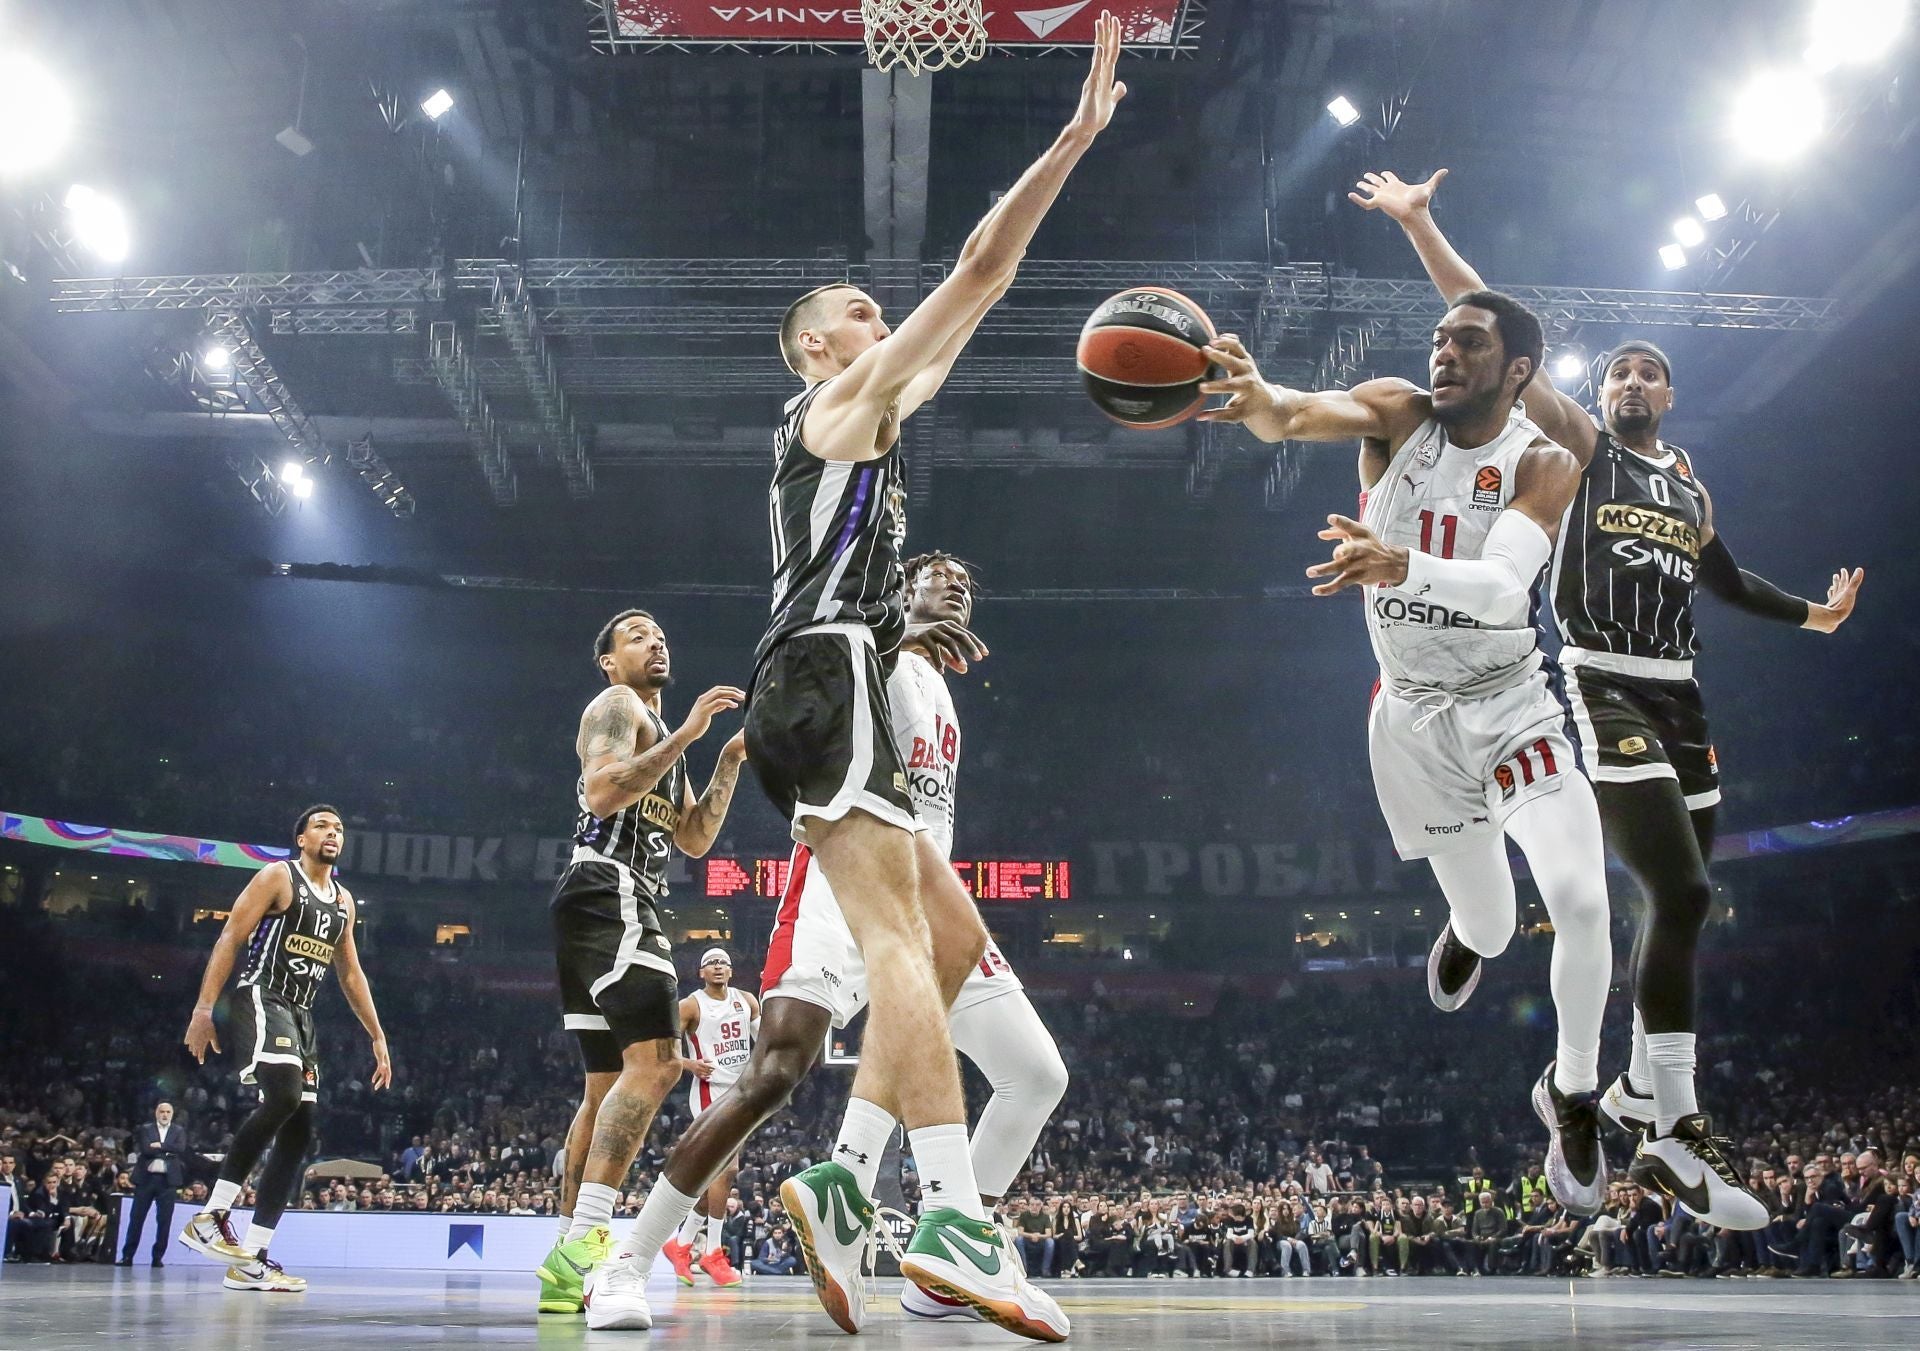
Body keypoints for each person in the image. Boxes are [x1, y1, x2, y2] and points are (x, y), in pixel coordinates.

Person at [1352, 166, 1861, 1230]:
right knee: (1667, 891)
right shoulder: (1576, 447)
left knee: (1681, 903)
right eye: (1618, 370)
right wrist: (1422, 226)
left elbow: (1726, 581)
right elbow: (1492, 331)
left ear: (1668, 396)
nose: (1630, 381)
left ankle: (1632, 1093)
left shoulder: (1689, 487)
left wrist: (1815, 616)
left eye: (1648, 372)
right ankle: (1657, 1120)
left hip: (1682, 695)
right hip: (1596, 679)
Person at [1199, 293, 1612, 1216]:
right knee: (1494, 927)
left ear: (1518, 371)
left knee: (1583, 902)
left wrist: (1401, 566)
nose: (1445, 353)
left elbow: (1503, 588)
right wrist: (1261, 396)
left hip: (1510, 705)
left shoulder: (1543, 461)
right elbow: (1294, 414)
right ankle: (1470, 930)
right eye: (1440, 339)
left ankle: (1573, 1089)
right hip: (1414, 719)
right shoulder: (1398, 414)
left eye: (1470, 342)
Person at [594, 555, 1070, 1335]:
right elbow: (828, 667)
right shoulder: (871, 645)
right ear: (901, 588)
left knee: (1036, 1072)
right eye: (938, 573)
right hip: (838, 872)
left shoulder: (941, 685)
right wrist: (897, 629)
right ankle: (626, 1261)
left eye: (967, 581)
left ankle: (936, 1261)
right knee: (774, 1070)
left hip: (923, 894)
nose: (957, 585)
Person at [536, 610, 750, 1315]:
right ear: (608, 660)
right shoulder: (617, 704)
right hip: (613, 886)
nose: (655, 640)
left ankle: (564, 1264)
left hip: (598, 898)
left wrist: (726, 760)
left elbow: (693, 839)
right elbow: (603, 794)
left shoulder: (663, 738)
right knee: (658, 1066)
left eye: (660, 634)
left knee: (604, 1087)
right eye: (636, 635)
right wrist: (689, 731)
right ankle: (589, 1249)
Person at [179, 805, 389, 1293]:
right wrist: (204, 1008)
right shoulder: (278, 876)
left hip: (302, 1014)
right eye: (322, 826)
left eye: (339, 828)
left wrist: (377, 1035)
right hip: (262, 995)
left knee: (299, 1133)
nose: (332, 832)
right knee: (284, 1096)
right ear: (301, 838)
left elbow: (350, 973)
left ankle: (252, 1260)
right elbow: (231, 935)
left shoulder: (343, 901)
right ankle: (212, 1215)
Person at [661, 948, 758, 1289]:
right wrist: (689, 1065)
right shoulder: (690, 1006)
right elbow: (664, 1049)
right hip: (709, 1093)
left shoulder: (747, 1001)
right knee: (727, 1170)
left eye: (723, 963)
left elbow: (766, 1043)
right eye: (711, 963)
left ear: (731, 971)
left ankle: (681, 1243)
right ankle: (713, 1251)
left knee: (712, 1178)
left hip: (742, 1094)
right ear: (701, 972)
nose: (718, 967)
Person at [119, 1101, 189, 1267]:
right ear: (156, 1113)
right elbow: (146, 1149)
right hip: (146, 1179)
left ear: (172, 1114)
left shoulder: (178, 1130)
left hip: (168, 1181)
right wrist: (168, 1150)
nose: (165, 1115)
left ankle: (157, 1258)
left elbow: (180, 1148)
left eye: (168, 1112)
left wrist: (160, 1145)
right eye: (162, 1111)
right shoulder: (146, 1128)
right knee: (136, 1218)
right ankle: (127, 1256)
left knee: (164, 1221)